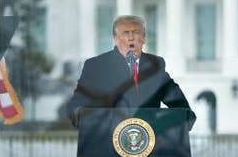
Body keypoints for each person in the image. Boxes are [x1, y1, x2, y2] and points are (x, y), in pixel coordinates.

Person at [66, 14, 196, 129]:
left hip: (148, 146)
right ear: (116, 39)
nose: (131, 37)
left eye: (136, 32)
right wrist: (88, 119)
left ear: (144, 38)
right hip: (106, 145)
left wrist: (178, 121)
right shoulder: (96, 66)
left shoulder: (155, 67)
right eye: (125, 33)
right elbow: (76, 107)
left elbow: (181, 108)